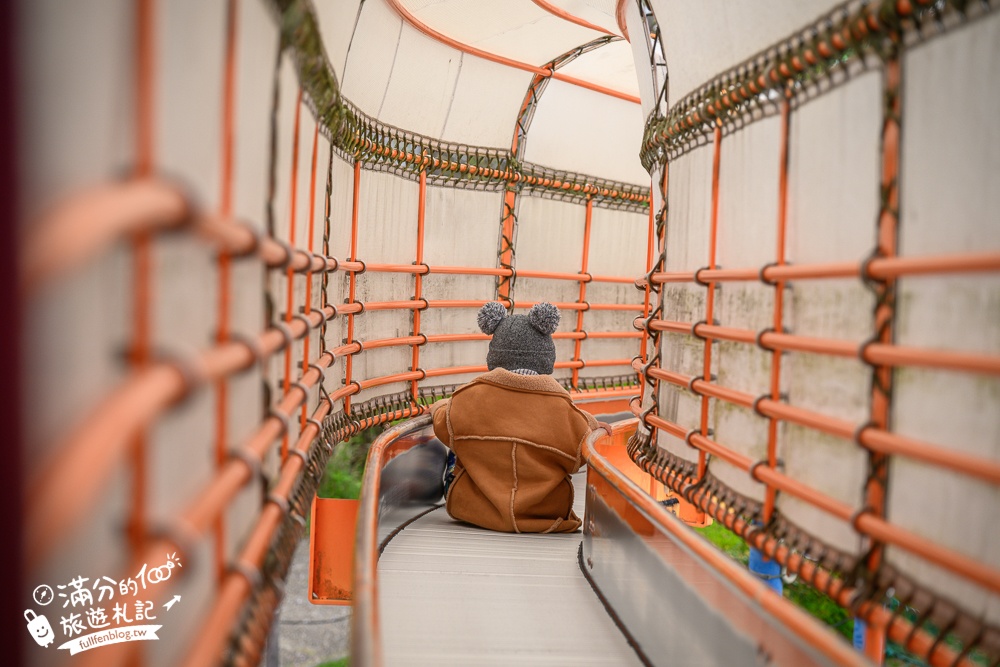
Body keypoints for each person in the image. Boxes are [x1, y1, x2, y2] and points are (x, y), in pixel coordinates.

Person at [430, 301, 602, 533]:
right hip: (544, 515)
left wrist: (440, 405)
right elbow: (580, 454)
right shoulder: (563, 410)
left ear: (494, 355)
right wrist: (591, 422)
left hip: (474, 511)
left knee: (456, 440)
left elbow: (444, 425)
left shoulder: (469, 397)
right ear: (546, 356)